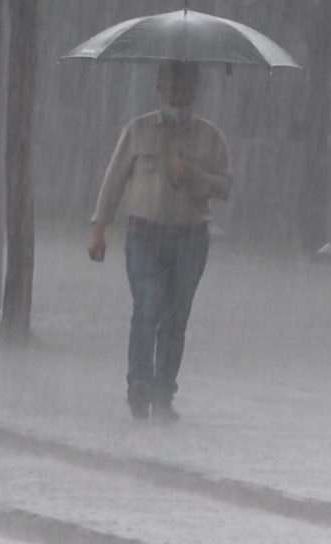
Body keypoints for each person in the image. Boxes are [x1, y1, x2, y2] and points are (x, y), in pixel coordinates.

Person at [87, 60, 231, 422]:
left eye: (185, 79)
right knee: (147, 308)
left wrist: (193, 175)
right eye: (170, 78)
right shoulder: (138, 131)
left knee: (175, 317)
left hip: (190, 236)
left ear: (195, 85)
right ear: (158, 83)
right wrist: (99, 227)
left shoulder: (209, 136)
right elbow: (114, 180)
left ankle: (164, 391)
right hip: (144, 234)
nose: (177, 86)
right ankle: (139, 383)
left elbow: (225, 185)